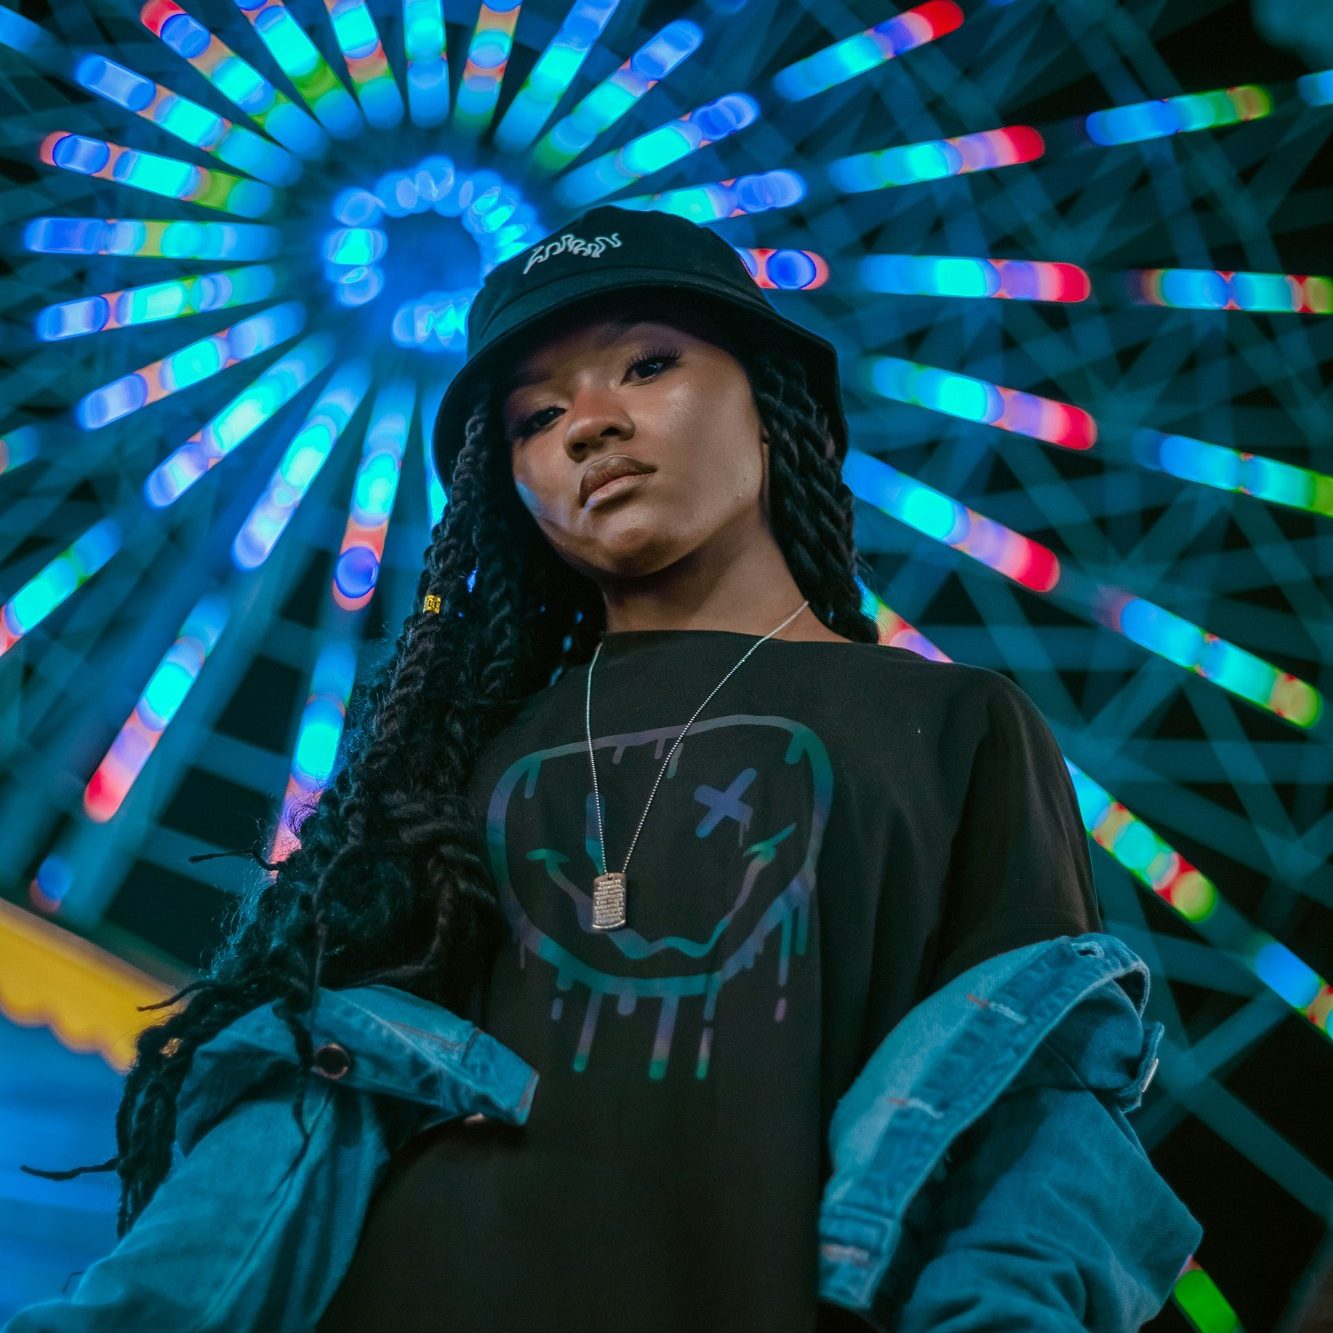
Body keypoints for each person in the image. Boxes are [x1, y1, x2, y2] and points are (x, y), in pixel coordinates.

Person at [11, 204, 1129, 1330]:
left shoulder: (955, 724)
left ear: (772, 401)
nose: (591, 425)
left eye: (648, 365)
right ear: (509, 484)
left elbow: (1038, 1110)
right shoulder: (441, 770)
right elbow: (289, 1121)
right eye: (537, 417)